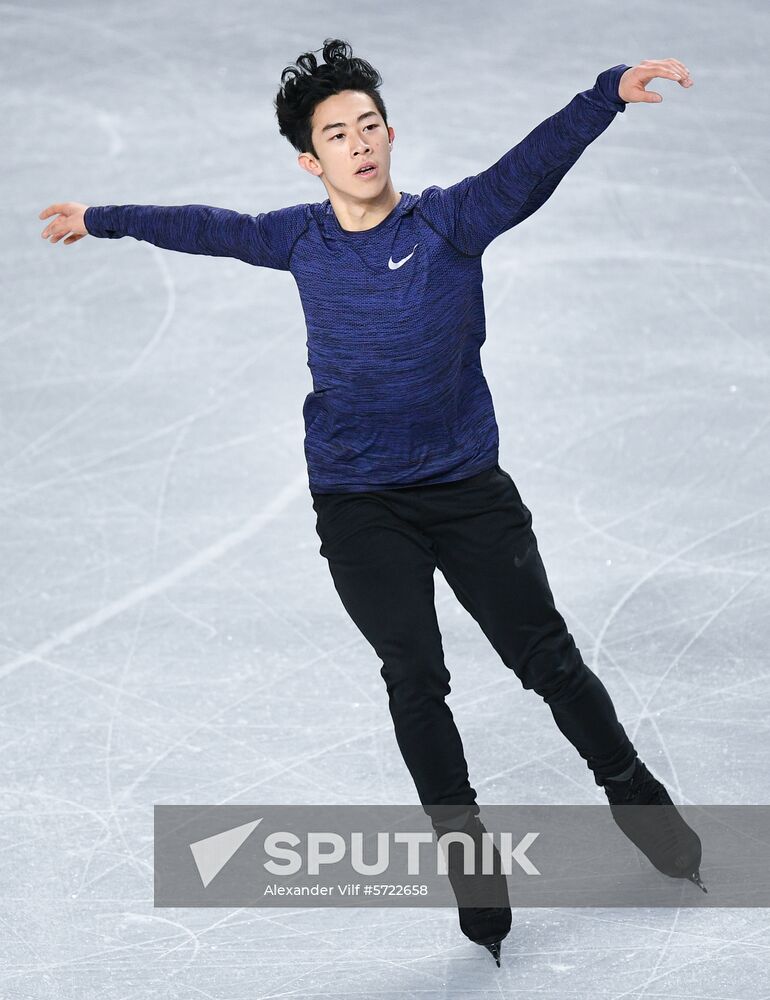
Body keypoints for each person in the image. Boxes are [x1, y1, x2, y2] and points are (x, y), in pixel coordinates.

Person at [39, 38, 703, 966]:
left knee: (545, 656)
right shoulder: (297, 239)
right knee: (413, 674)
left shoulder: (448, 224)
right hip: (357, 500)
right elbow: (205, 224)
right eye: (335, 134)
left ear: (390, 135)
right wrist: (100, 218)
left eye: (369, 126)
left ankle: (634, 794)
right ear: (310, 160)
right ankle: (470, 858)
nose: (359, 144)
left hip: (467, 489)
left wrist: (608, 96)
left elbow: (532, 165)